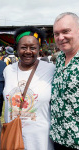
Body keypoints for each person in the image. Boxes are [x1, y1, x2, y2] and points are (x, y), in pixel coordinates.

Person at [3, 26, 55, 150]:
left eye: (33, 48)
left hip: (41, 141)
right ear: (17, 48)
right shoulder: (8, 70)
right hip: (13, 138)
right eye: (23, 47)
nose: (28, 51)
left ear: (39, 49)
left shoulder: (51, 70)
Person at [50, 12, 79, 150]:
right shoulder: (60, 58)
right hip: (58, 139)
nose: (61, 37)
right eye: (56, 33)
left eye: (66, 31)